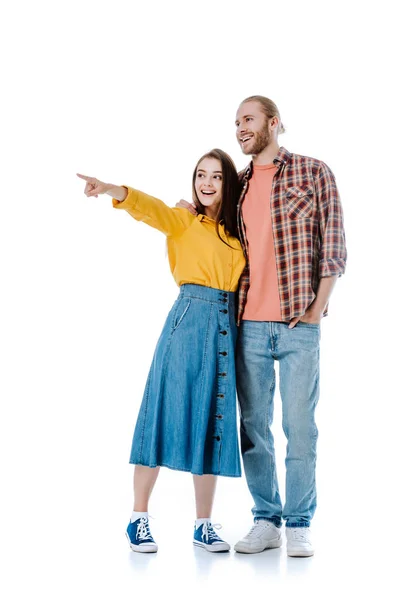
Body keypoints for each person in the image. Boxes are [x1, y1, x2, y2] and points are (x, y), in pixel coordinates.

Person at [178, 96, 347, 557]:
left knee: (299, 427)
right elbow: (214, 230)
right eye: (236, 123)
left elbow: (333, 243)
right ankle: (266, 518)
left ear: (274, 123)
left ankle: (298, 522)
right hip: (247, 325)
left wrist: (318, 307)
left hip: (298, 323)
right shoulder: (239, 184)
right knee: (252, 428)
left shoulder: (314, 172)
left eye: (248, 120)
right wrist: (188, 212)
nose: (240, 128)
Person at [77, 148, 246, 554]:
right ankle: (139, 518)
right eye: (200, 175)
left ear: (228, 183)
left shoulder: (237, 234)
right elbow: (149, 208)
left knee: (212, 419)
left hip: (225, 328)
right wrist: (111, 190)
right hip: (187, 321)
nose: (206, 183)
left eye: (216, 177)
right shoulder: (183, 220)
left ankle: (203, 525)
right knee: (161, 411)